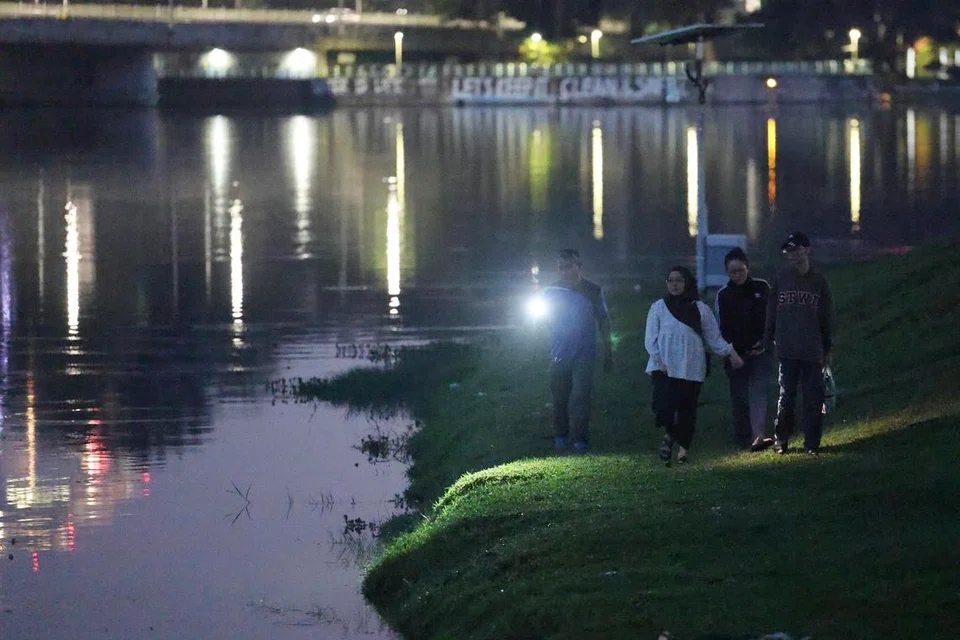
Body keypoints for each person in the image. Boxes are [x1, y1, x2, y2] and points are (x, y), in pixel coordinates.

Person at [645, 266, 744, 465]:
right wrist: (658, 359)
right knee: (664, 405)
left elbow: (713, 337)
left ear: (687, 283)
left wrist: (731, 353)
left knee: (687, 408)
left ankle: (683, 448)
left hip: (690, 365)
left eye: (679, 280)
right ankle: (670, 435)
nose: (674, 284)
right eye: (671, 280)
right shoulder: (659, 307)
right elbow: (650, 338)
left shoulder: (700, 309)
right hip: (664, 366)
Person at [763, 232, 834, 455]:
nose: (792, 254)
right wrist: (769, 338)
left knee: (813, 398)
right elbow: (771, 313)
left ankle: (812, 443)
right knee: (786, 397)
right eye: (789, 251)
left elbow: (826, 316)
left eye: (796, 249)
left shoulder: (818, 281)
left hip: (812, 350)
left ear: (807, 249)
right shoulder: (781, 279)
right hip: (787, 349)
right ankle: (781, 440)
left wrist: (827, 346)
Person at [541, 249, 613, 453]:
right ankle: (561, 436)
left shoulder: (593, 290)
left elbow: (604, 320)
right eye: (560, 267)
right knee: (559, 395)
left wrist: (608, 350)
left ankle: (580, 439)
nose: (564, 271)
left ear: (578, 266)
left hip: (585, 352)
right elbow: (545, 319)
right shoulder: (551, 291)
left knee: (581, 395)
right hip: (559, 351)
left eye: (568, 266)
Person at [715, 247, 775, 452]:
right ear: (727, 272)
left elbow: (772, 318)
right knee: (739, 395)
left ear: (747, 268)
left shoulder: (762, 287)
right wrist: (731, 353)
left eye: (741, 270)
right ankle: (743, 437)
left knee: (759, 392)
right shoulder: (724, 295)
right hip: (736, 353)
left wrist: (765, 342)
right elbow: (721, 327)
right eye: (733, 272)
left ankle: (759, 434)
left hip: (761, 350)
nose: (738, 275)